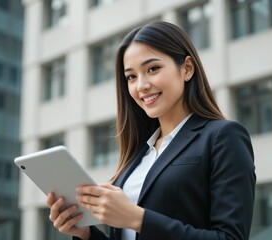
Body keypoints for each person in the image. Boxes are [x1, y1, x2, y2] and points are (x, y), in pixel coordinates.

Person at [46, 21, 256, 240]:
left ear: (187, 68)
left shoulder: (223, 137)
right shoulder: (138, 154)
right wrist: (85, 235)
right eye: (131, 77)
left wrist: (137, 219)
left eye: (153, 69)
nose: (141, 86)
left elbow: (231, 237)